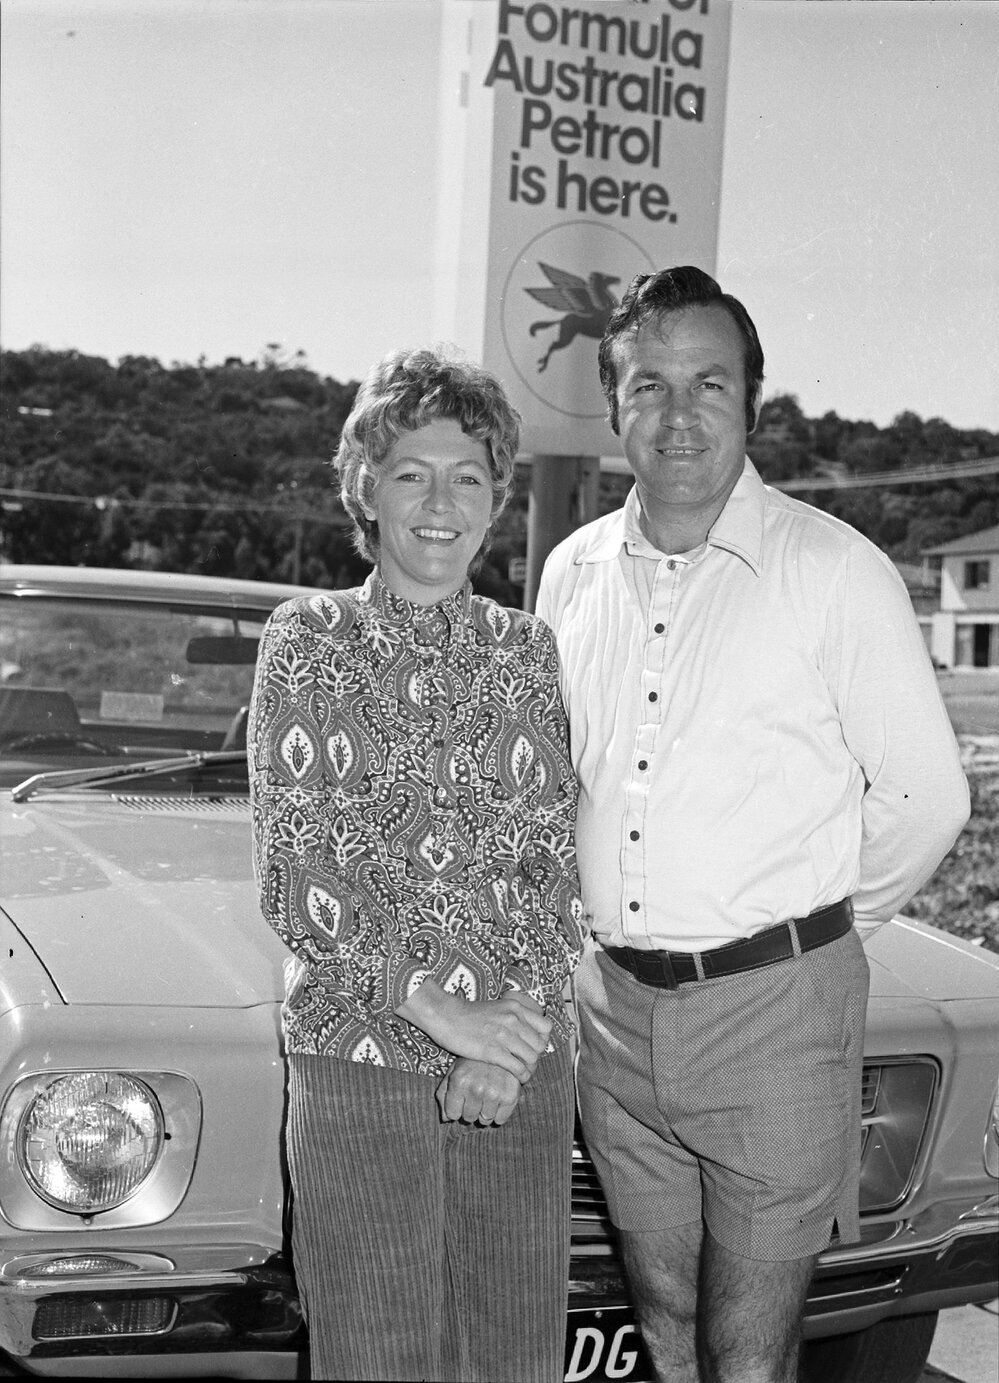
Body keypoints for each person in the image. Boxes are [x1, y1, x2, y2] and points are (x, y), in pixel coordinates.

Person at [535, 266, 970, 1383]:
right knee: (667, 1307)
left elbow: (928, 800)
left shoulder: (833, 571)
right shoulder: (571, 574)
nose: (679, 416)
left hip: (775, 1016)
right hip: (614, 1010)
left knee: (751, 1341)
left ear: (754, 404)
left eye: (709, 385)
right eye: (649, 386)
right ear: (613, 399)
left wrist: (807, 932)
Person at [247, 346, 583, 1383]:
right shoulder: (308, 638)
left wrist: (504, 1039)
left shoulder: (527, 649)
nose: (440, 503)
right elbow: (300, 870)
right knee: (377, 1357)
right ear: (367, 491)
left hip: (516, 1069)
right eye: (411, 474)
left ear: (495, 500)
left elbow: (552, 867)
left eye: (468, 477)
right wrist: (445, 1014)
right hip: (360, 1062)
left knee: (509, 1358)